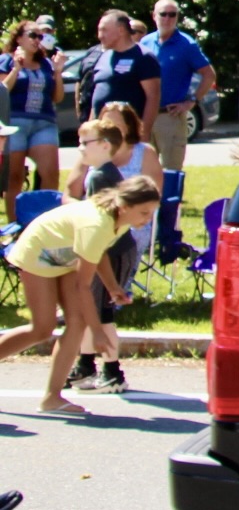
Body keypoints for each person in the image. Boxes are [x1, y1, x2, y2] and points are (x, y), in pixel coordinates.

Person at [0, 175, 160, 414]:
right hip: (38, 252)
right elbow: (82, 287)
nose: (147, 220)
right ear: (125, 206)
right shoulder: (97, 223)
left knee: (77, 322)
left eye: (151, 213)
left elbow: (98, 252)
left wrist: (113, 287)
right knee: (42, 328)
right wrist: (97, 332)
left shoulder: (120, 218)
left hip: (65, 255)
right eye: (144, 213)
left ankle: (52, 398)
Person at [63, 120, 134, 394]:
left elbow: (98, 221)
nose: (80, 148)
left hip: (110, 250)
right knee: (91, 308)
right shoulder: (105, 173)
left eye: (85, 143)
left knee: (100, 311)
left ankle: (112, 371)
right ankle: (85, 364)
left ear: (104, 146)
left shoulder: (98, 176)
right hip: (113, 248)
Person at [1, 21, 67, 222]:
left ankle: (44, 222)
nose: (37, 40)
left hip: (44, 122)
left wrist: (57, 72)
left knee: (50, 173)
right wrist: (16, 68)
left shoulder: (46, 63)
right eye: (32, 35)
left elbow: (57, 98)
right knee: (14, 177)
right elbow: (3, 90)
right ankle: (15, 226)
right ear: (18, 38)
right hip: (14, 122)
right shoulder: (6, 60)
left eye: (40, 37)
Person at [140, 0, 217, 172]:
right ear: (154, 16)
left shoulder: (186, 44)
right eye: (163, 14)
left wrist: (191, 101)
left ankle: (171, 200)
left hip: (170, 116)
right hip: (145, 115)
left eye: (172, 15)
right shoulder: (145, 43)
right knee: (143, 169)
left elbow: (209, 75)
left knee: (171, 170)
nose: (167, 19)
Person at [88, 10, 161, 144]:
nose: (100, 36)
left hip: (129, 136)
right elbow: (96, 98)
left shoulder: (143, 57)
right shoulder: (103, 57)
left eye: (104, 30)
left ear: (121, 30)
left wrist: (143, 134)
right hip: (101, 137)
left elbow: (153, 97)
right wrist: (90, 132)